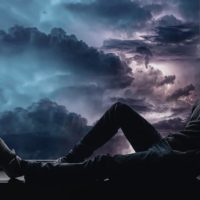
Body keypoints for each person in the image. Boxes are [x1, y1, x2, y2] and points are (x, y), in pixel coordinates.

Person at [0, 101, 200, 186]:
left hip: (178, 161)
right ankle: (68, 160)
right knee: (119, 110)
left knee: (103, 164)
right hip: (170, 145)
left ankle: (22, 168)